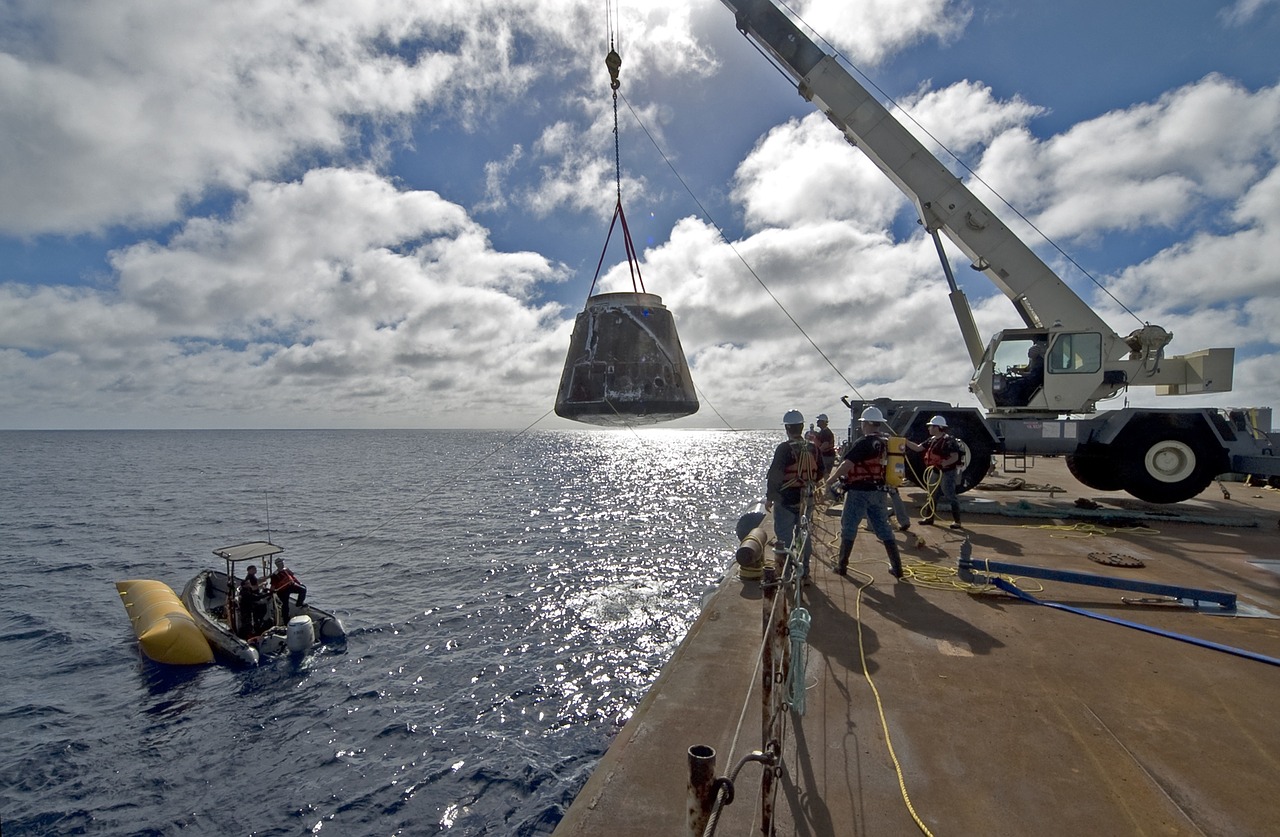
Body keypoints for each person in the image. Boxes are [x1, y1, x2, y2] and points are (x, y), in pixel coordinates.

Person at [824, 406, 903, 579]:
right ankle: (897, 568)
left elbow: (847, 465)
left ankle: (841, 566)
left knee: (849, 526)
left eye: (862, 423)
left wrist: (831, 480)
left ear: (867, 423)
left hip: (859, 491)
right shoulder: (886, 442)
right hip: (879, 491)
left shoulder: (864, 442)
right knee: (883, 527)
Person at [765, 409, 821, 581]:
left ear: (787, 428)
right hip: (806, 498)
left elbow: (775, 474)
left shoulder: (784, 449)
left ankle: (786, 573)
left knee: (784, 537)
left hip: (786, 500)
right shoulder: (813, 448)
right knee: (803, 534)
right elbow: (820, 471)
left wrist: (770, 497)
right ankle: (805, 570)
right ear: (802, 426)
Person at [905, 415, 964, 529]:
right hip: (935, 470)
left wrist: (943, 464)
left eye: (931, 426)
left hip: (946, 472)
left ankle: (957, 521)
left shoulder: (948, 441)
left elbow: (955, 457)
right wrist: (906, 442)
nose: (929, 428)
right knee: (931, 495)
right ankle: (929, 518)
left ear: (938, 427)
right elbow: (918, 448)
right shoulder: (932, 440)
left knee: (949, 494)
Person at [237, 564, 271, 636]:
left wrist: (266, 578)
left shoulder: (252, 578)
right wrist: (263, 587)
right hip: (248, 606)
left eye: (255, 569)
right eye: (253, 569)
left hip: (252, 600)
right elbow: (254, 591)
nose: (255, 570)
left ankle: (257, 625)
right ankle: (250, 631)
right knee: (248, 619)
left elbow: (257, 581)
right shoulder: (247, 587)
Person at [271, 556, 308, 621]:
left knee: (303, 589)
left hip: (291, 586)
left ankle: (299, 603)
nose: (282, 564)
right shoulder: (275, 575)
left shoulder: (286, 570)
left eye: (282, 563)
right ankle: (286, 619)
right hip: (282, 591)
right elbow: (273, 586)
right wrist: (273, 591)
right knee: (285, 605)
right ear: (277, 565)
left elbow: (293, 577)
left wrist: (299, 583)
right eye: (280, 564)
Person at [812, 413, 837, 478]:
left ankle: (828, 486)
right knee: (824, 473)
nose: (817, 422)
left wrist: (816, 453)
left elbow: (825, 445)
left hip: (827, 457)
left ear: (823, 422)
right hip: (826, 456)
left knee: (825, 473)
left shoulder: (826, 433)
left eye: (819, 420)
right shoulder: (823, 432)